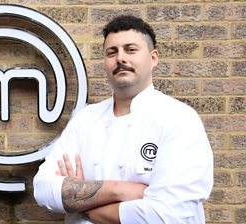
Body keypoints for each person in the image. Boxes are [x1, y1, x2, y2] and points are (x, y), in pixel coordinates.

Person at [33, 15, 214, 224]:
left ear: (153, 58)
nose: (120, 58)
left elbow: (166, 216)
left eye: (131, 49)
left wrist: (84, 205)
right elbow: (43, 189)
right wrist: (121, 190)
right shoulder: (85, 120)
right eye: (112, 52)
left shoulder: (179, 119)